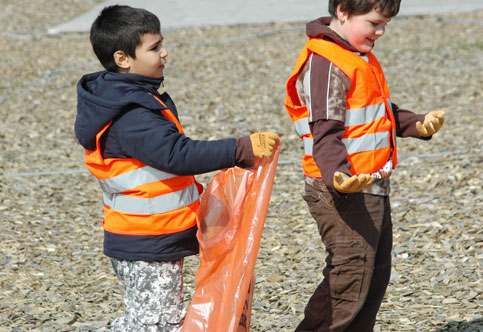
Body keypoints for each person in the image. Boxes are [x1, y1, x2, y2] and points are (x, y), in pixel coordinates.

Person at [74, 5, 279, 331]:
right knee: (156, 325)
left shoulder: (128, 98)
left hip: (148, 237)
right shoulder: (131, 115)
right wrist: (239, 148)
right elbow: (177, 155)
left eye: (161, 43)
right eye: (154, 48)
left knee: (149, 320)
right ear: (123, 59)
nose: (164, 52)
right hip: (146, 241)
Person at [284, 0, 445, 331]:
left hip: (369, 184)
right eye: (374, 23)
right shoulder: (325, 63)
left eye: (385, 24)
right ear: (343, 11)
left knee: (374, 276)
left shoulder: (358, 56)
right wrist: (337, 175)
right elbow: (324, 132)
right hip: (339, 189)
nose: (380, 32)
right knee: (349, 278)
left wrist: (415, 124)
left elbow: (377, 114)